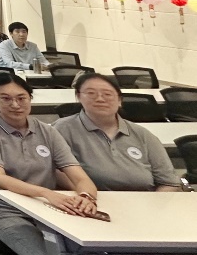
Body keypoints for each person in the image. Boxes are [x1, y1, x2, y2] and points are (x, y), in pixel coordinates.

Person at [0, 73, 99, 254]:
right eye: (6, 99)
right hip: (4, 209)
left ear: (30, 98)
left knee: (87, 248)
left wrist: (87, 197)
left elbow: (78, 175)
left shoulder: (47, 131)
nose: (15, 105)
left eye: (21, 98)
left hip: (44, 206)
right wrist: (47, 193)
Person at [52, 73, 182, 191]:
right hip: (89, 201)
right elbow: (52, 171)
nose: (100, 99)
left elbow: (169, 182)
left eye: (108, 94)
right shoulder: (62, 129)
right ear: (79, 97)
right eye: (91, 93)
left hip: (144, 202)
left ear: (119, 101)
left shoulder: (142, 134)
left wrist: (154, 206)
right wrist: (87, 193)